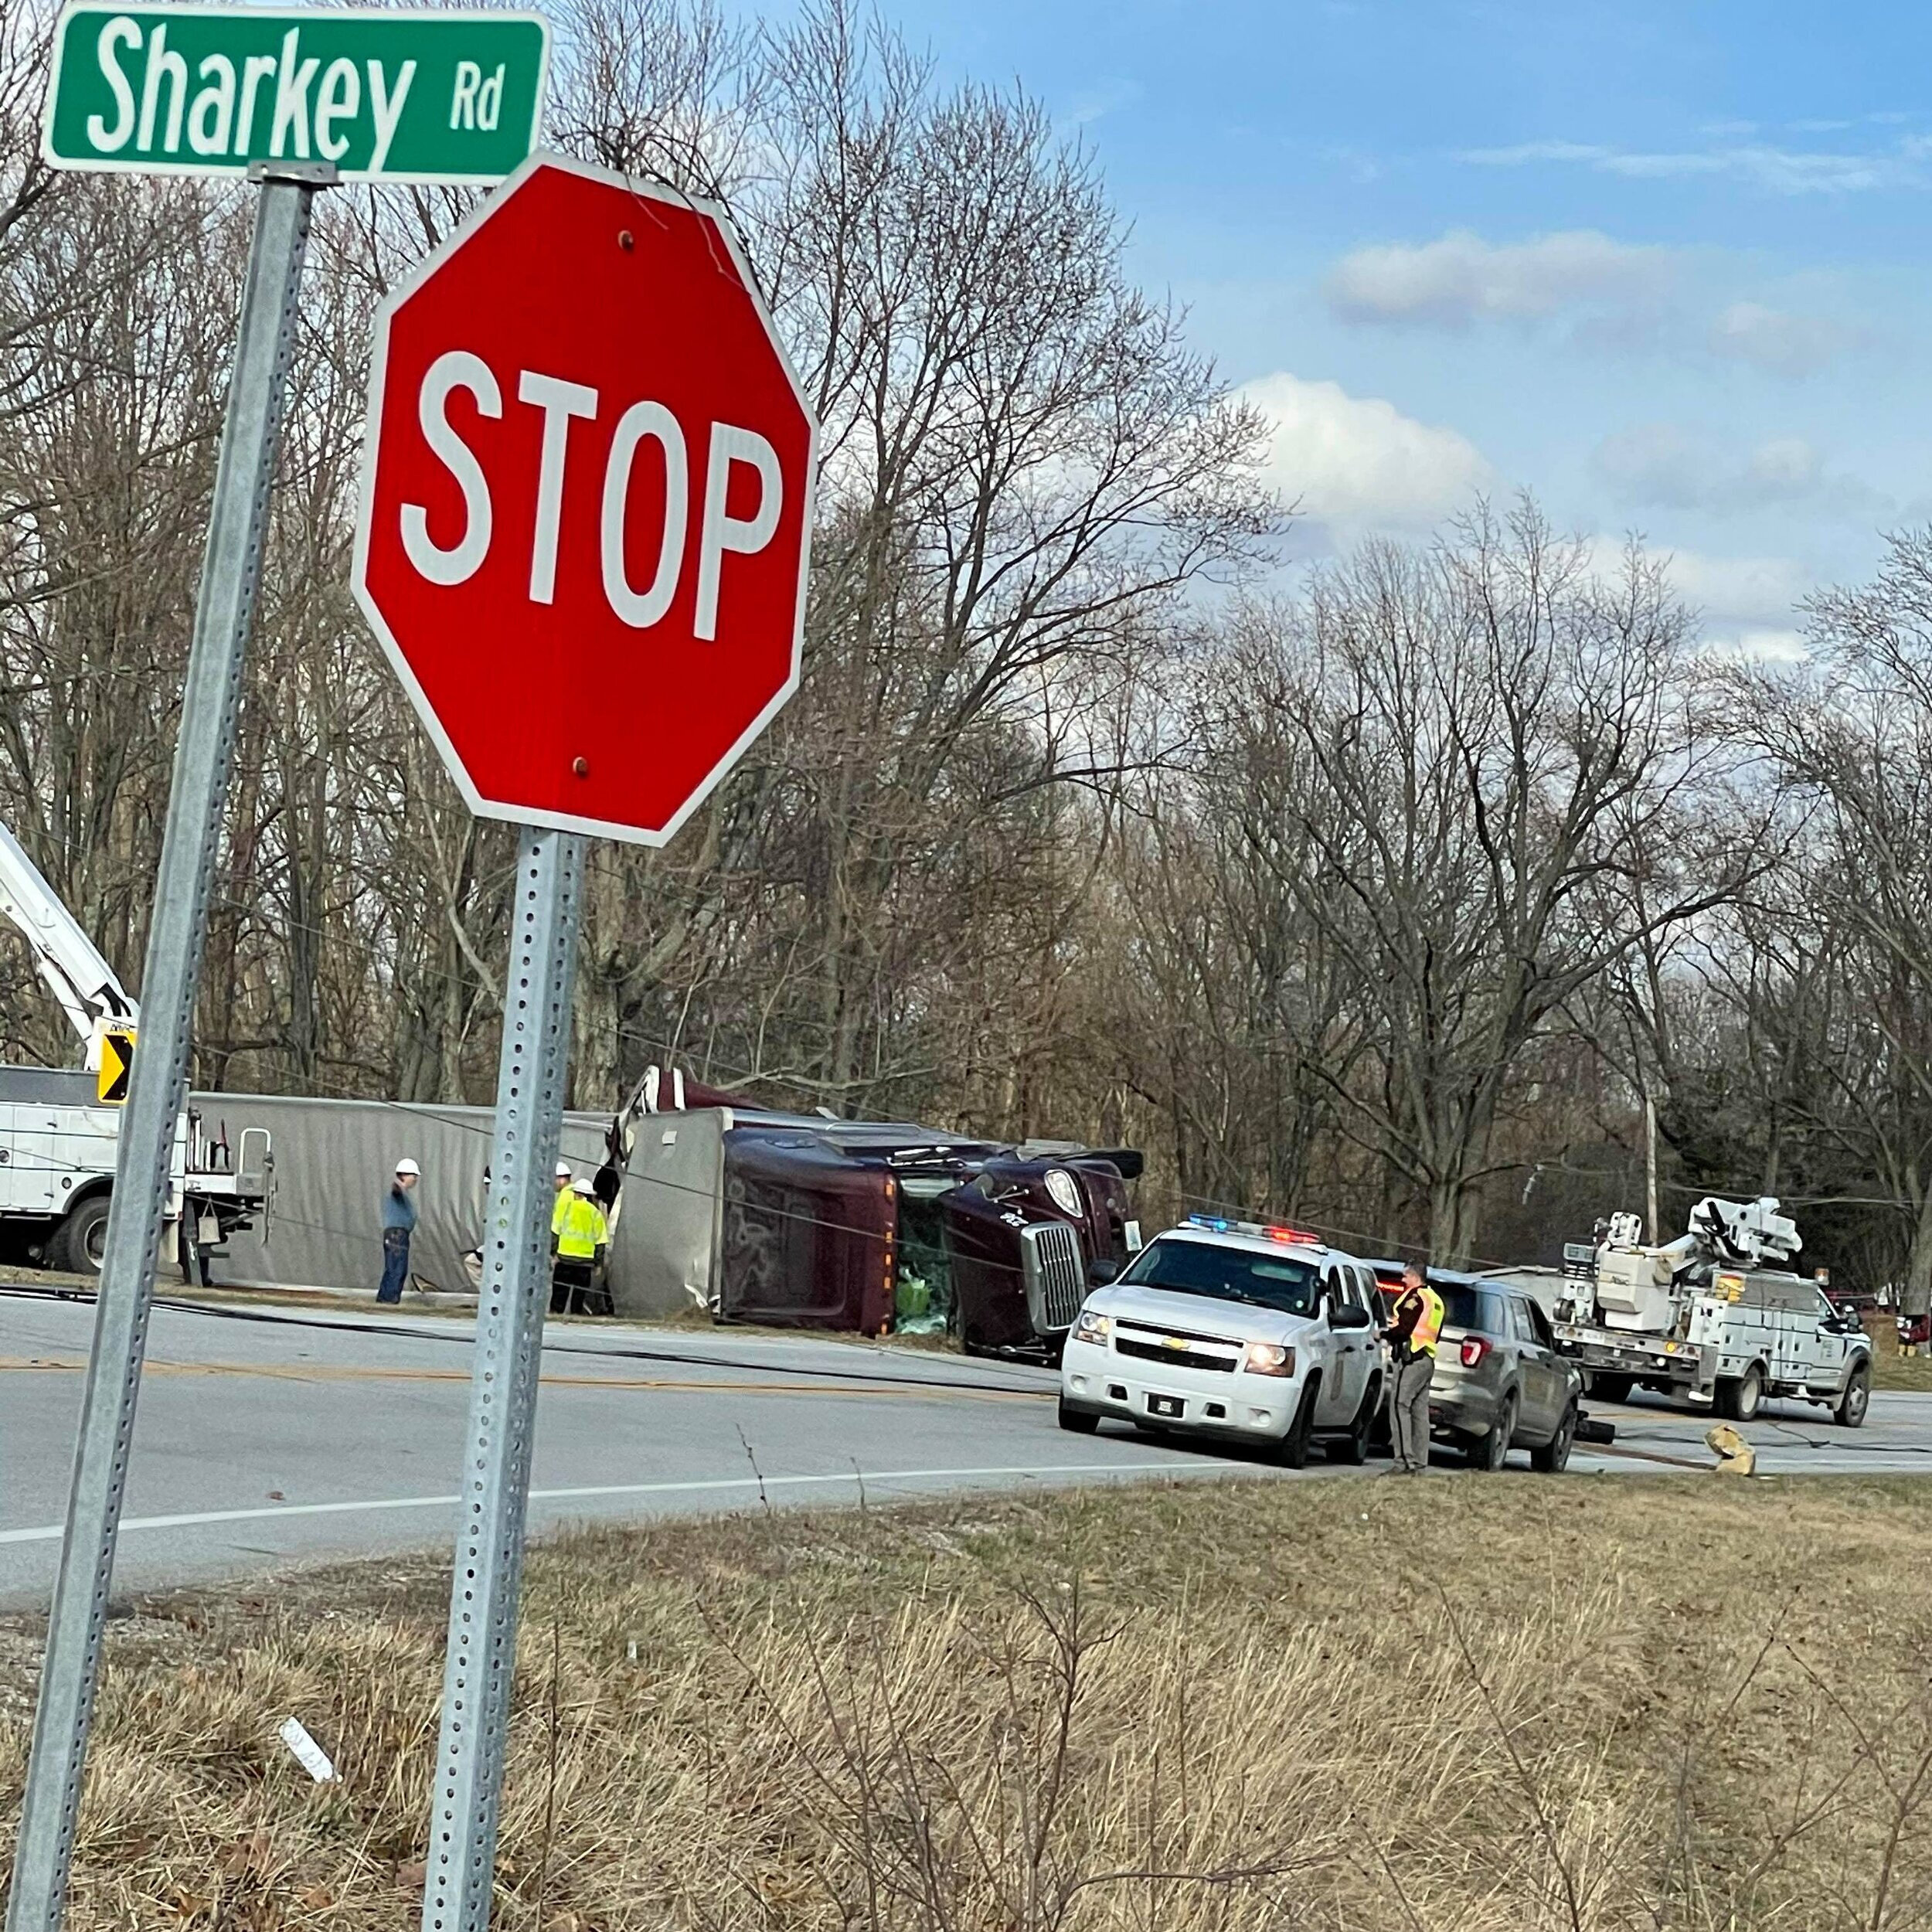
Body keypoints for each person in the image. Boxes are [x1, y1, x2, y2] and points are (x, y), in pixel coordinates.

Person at [1383, 1260, 1444, 1474]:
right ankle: (1419, 1464)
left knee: (1400, 1407)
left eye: (1405, 1276)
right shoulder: (1436, 1299)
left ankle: (1403, 1463)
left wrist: (1384, 1335)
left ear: (1415, 1278)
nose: (1403, 1280)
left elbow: (1405, 1328)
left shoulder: (1415, 1297)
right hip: (1427, 1360)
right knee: (1420, 1413)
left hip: (1412, 1359)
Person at [550, 1175, 610, 1315]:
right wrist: (598, 1263)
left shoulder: (566, 1209)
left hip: (564, 1259)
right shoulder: (596, 1214)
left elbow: (555, 1233)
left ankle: (555, 1314)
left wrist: (553, 1254)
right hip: (585, 1262)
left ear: (576, 1194)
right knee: (579, 1293)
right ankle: (576, 1316)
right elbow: (600, 1241)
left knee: (560, 1291)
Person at [379, 1158, 420, 1304]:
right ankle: (389, 1300)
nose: (415, 1180)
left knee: (395, 1267)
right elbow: (395, 1188)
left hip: (399, 1235)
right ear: (404, 1175)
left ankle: (385, 1298)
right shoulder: (398, 1190)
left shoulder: (406, 1194)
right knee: (397, 1268)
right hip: (397, 1235)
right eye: (413, 1176)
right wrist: (399, 1185)